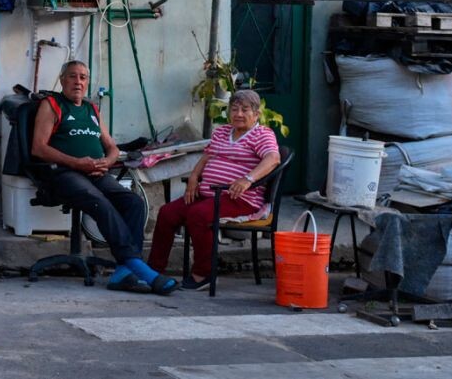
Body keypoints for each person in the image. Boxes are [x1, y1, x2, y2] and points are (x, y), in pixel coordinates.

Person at [31, 60, 177, 295]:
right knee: (100, 201)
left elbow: (112, 147)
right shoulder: (52, 105)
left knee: (134, 203)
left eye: (82, 77)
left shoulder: (91, 109)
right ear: (62, 80)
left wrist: (107, 162)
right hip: (63, 173)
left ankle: (123, 271)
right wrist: (78, 163)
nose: (78, 82)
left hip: (95, 172)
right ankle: (136, 265)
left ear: (87, 82)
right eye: (72, 76)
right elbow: (38, 147)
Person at [147, 89, 281, 291]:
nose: (239, 114)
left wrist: (247, 179)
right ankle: (153, 270)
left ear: (257, 114)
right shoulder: (222, 132)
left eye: (245, 110)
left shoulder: (262, 134)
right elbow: (207, 157)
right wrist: (193, 177)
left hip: (239, 198)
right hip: (208, 194)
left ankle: (204, 273)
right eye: (234, 109)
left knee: (198, 215)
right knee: (167, 213)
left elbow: (273, 158)